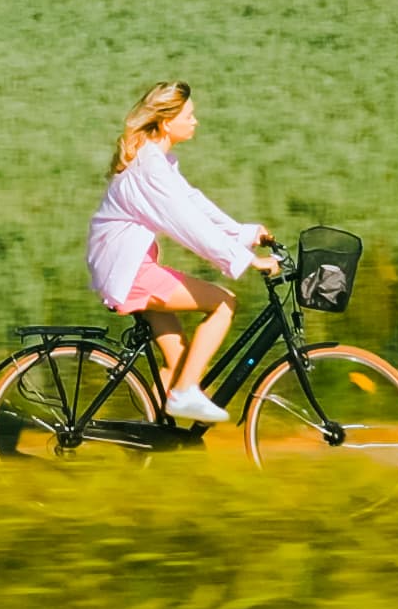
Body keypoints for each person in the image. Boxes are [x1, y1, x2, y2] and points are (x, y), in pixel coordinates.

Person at [87, 80, 272, 423]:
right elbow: (189, 225)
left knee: (181, 361)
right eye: (190, 115)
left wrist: (245, 234)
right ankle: (186, 394)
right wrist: (247, 261)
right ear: (167, 122)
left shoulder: (158, 161)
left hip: (127, 268)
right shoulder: (151, 168)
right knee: (223, 302)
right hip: (130, 272)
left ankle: (149, 438)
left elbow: (193, 203)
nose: (195, 121)